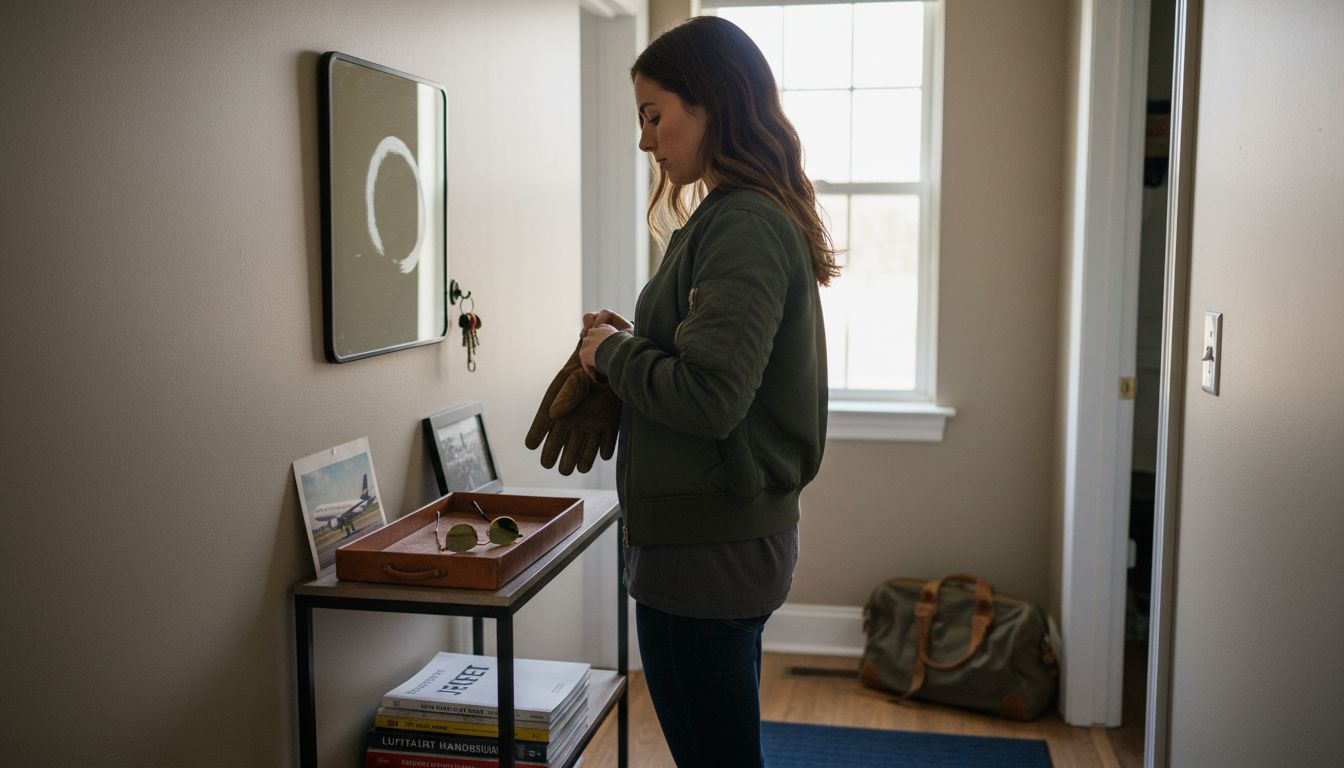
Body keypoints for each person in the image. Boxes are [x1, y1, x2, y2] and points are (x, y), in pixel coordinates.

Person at [576, 15, 838, 768]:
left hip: (706, 554)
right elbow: (714, 371)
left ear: (712, 103)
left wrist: (613, 353)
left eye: (654, 115)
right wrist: (632, 347)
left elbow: (709, 397)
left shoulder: (744, 224)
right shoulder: (731, 217)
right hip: (716, 542)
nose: (645, 140)